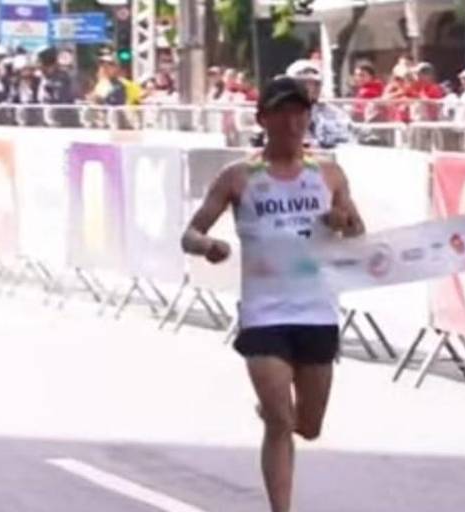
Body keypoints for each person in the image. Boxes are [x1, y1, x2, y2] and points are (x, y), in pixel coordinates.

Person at [181, 76, 365, 512]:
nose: (292, 122)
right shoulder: (239, 176)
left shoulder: (328, 173)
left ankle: (273, 410)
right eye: (282, 112)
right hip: (264, 313)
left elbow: (358, 233)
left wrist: (343, 221)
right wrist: (208, 246)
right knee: (281, 422)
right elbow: (190, 233)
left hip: (317, 311)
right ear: (263, 119)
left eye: (300, 113)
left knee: (309, 426)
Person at [286, 59, 354, 148]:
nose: (312, 88)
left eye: (316, 84)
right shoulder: (281, 112)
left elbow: (347, 137)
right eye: (305, 84)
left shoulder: (333, 113)